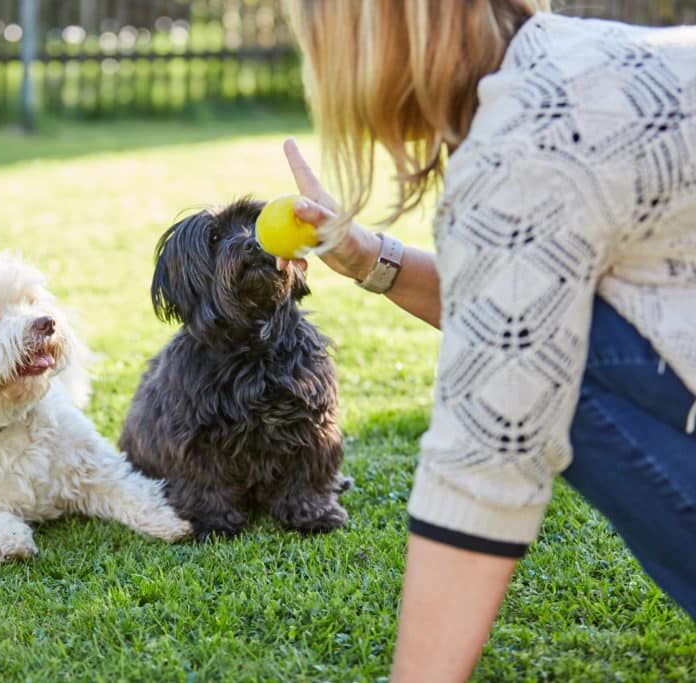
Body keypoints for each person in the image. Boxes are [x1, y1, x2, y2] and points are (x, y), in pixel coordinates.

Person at [278, 1, 696, 680]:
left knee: (547, 368)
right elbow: (522, 294)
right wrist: (368, 259)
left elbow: (485, 458)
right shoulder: (574, 59)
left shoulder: (525, 139)